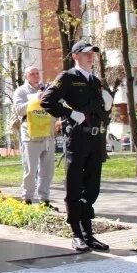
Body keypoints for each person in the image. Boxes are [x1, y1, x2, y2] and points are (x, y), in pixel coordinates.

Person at [40, 40, 113, 252]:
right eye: (86, 53)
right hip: (77, 138)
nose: (90, 57)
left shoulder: (96, 81)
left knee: (91, 188)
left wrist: (106, 105)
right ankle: (76, 233)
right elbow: (47, 101)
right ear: (75, 56)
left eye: (93, 53)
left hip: (95, 139)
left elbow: (102, 110)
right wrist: (69, 113)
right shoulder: (68, 77)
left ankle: (89, 234)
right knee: (74, 185)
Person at [13, 66, 55, 208]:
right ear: (26, 76)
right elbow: (18, 110)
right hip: (31, 135)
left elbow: (56, 106)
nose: (36, 76)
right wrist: (34, 100)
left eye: (38, 73)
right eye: (32, 74)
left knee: (47, 169)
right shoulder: (21, 91)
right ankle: (27, 198)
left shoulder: (47, 89)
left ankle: (45, 199)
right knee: (30, 169)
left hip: (47, 134)